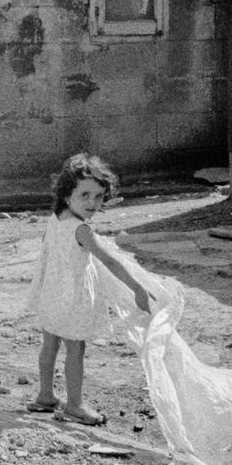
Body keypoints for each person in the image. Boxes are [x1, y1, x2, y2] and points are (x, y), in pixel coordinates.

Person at [25, 152, 154, 425]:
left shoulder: (56, 217)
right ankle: (74, 404)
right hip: (72, 297)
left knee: (50, 344)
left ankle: (45, 395)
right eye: (85, 195)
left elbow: (48, 252)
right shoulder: (82, 230)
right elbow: (109, 261)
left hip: (52, 291)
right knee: (76, 349)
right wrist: (137, 288)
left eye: (98, 197)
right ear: (67, 193)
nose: (92, 203)